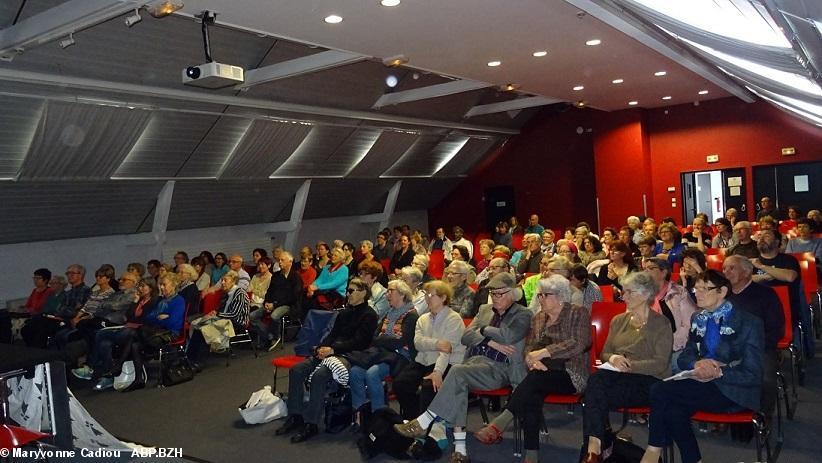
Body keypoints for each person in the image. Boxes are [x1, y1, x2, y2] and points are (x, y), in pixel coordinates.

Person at [394, 272, 531, 463]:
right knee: (458, 381)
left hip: (500, 368)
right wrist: (489, 342)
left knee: (457, 372)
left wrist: (482, 330)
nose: (495, 298)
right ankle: (460, 451)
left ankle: (426, 420)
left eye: (500, 293)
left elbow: (509, 336)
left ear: (513, 294)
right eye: (493, 293)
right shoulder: (484, 309)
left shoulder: (523, 313)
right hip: (474, 363)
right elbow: (466, 336)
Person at [638, 270, 764, 463]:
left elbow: (753, 374)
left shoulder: (749, 323)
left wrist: (719, 371)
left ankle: (654, 449)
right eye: (696, 288)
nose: (697, 293)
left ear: (722, 291)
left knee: (659, 389)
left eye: (705, 288)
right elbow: (685, 356)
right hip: (701, 383)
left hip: (733, 390)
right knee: (673, 411)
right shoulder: (699, 318)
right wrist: (696, 363)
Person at [476, 275, 590, 463]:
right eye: (539, 295)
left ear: (561, 296)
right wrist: (531, 358)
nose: (541, 299)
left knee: (534, 382)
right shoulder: (538, 318)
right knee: (532, 394)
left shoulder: (577, 313)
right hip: (540, 372)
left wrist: (544, 352)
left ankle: (501, 422)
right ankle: (531, 454)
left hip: (569, 374)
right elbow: (529, 346)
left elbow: (579, 343)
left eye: (546, 295)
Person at [580, 271, 672, 463]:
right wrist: (613, 358)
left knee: (595, 395)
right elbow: (604, 352)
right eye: (624, 291)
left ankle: (595, 447)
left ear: (646, 294)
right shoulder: (619, 320)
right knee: (596, 381)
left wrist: (630, 366)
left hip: (648, 381)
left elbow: (660, 363)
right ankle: (595, 445)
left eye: (629, 292)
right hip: (617, 377)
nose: (624, 296)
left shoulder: (661, 323)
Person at [276, 278, 378, 443]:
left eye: (351, 291)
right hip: (331, 352)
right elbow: (332, 335)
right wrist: (321, 348)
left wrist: (333, 350)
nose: (348, 294)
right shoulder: (345, 313)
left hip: (350, 355)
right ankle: (295, 416)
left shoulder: (370, 315)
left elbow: (360, 342)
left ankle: (311, 423)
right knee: (297, 370)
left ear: (363, 293)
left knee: (320, 375)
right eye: (347, 290)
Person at [392, 280, 465, 420]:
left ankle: (427, 428)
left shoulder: (453, 319)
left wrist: (438, 372)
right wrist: (437, 343)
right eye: (426, 295)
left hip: (447, 363)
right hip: (424, 360)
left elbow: (446, 351)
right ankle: (415, 420)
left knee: (429, 386)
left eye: (431, 295)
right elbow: (417, 343)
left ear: (443, 298)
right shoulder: (423, 319)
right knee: (400, 383)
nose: (427, 298)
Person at [348, 280, 419, 418]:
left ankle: (379, 418)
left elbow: (400, 342)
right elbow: (374, 337)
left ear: (402, 295)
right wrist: (385, 340)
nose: (387, 294)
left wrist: (382, 340)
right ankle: (359, 416)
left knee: (371, 374)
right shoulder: (389, 313)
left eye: (390, 291)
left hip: (400, 357)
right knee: (355, 372)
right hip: (383, 354)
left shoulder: (411, 315)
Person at [723, 255, 784, 415]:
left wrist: (750, 348)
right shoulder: (722, 295)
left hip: (759, 347)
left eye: (731, 268)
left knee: (765, 379)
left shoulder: (766, 294)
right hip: (726, 347)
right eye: (724, 268)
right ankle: (724, 411)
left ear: (747, 271)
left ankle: (764, 416)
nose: (726, 272)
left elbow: (776, 329)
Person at [752, 229, 811, 357]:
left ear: (777, 242)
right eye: (759, 236)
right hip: (758, 313)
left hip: (786, 311)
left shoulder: (788, 260)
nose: (761, 238)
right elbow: (743, 279)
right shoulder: (750, 262)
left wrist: (762, 268)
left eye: (766, 236)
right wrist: (767, 276)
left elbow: (789, 276)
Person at [187, 271, 250, 369]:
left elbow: (235, 314)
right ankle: (189, 359)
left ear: (233, 281)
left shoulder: (240, 293)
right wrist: (214, 313)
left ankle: (199, 362)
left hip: (237, 322)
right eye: (222, 280)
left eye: (225, 280)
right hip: (224, 319)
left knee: (204, 331)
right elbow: (220, 309)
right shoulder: (226, 294)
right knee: (197, 328)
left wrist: (218, 314)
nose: (223, 283)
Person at [644, 258, 698, 372]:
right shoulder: (640, 295)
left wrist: (667, 344)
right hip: (647, 347)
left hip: (676, 347)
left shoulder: (678, 293)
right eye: (644, 269)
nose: (645, 272)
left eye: (650, 268)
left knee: (673, 364)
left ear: (663, 272)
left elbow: (689, 325)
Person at [252, 252, 303, 350]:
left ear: (290, 262)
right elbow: (269, 291)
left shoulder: (296, 277)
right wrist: (266, 302)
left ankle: (276, 336)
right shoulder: (275, 276)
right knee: (252, 316)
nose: (279, 262)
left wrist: (274, 305)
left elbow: (293, 297)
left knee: (274, 315)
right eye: (279, 260)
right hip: (272, 303)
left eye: (282, 260)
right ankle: (269, 335)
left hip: (289, 305)